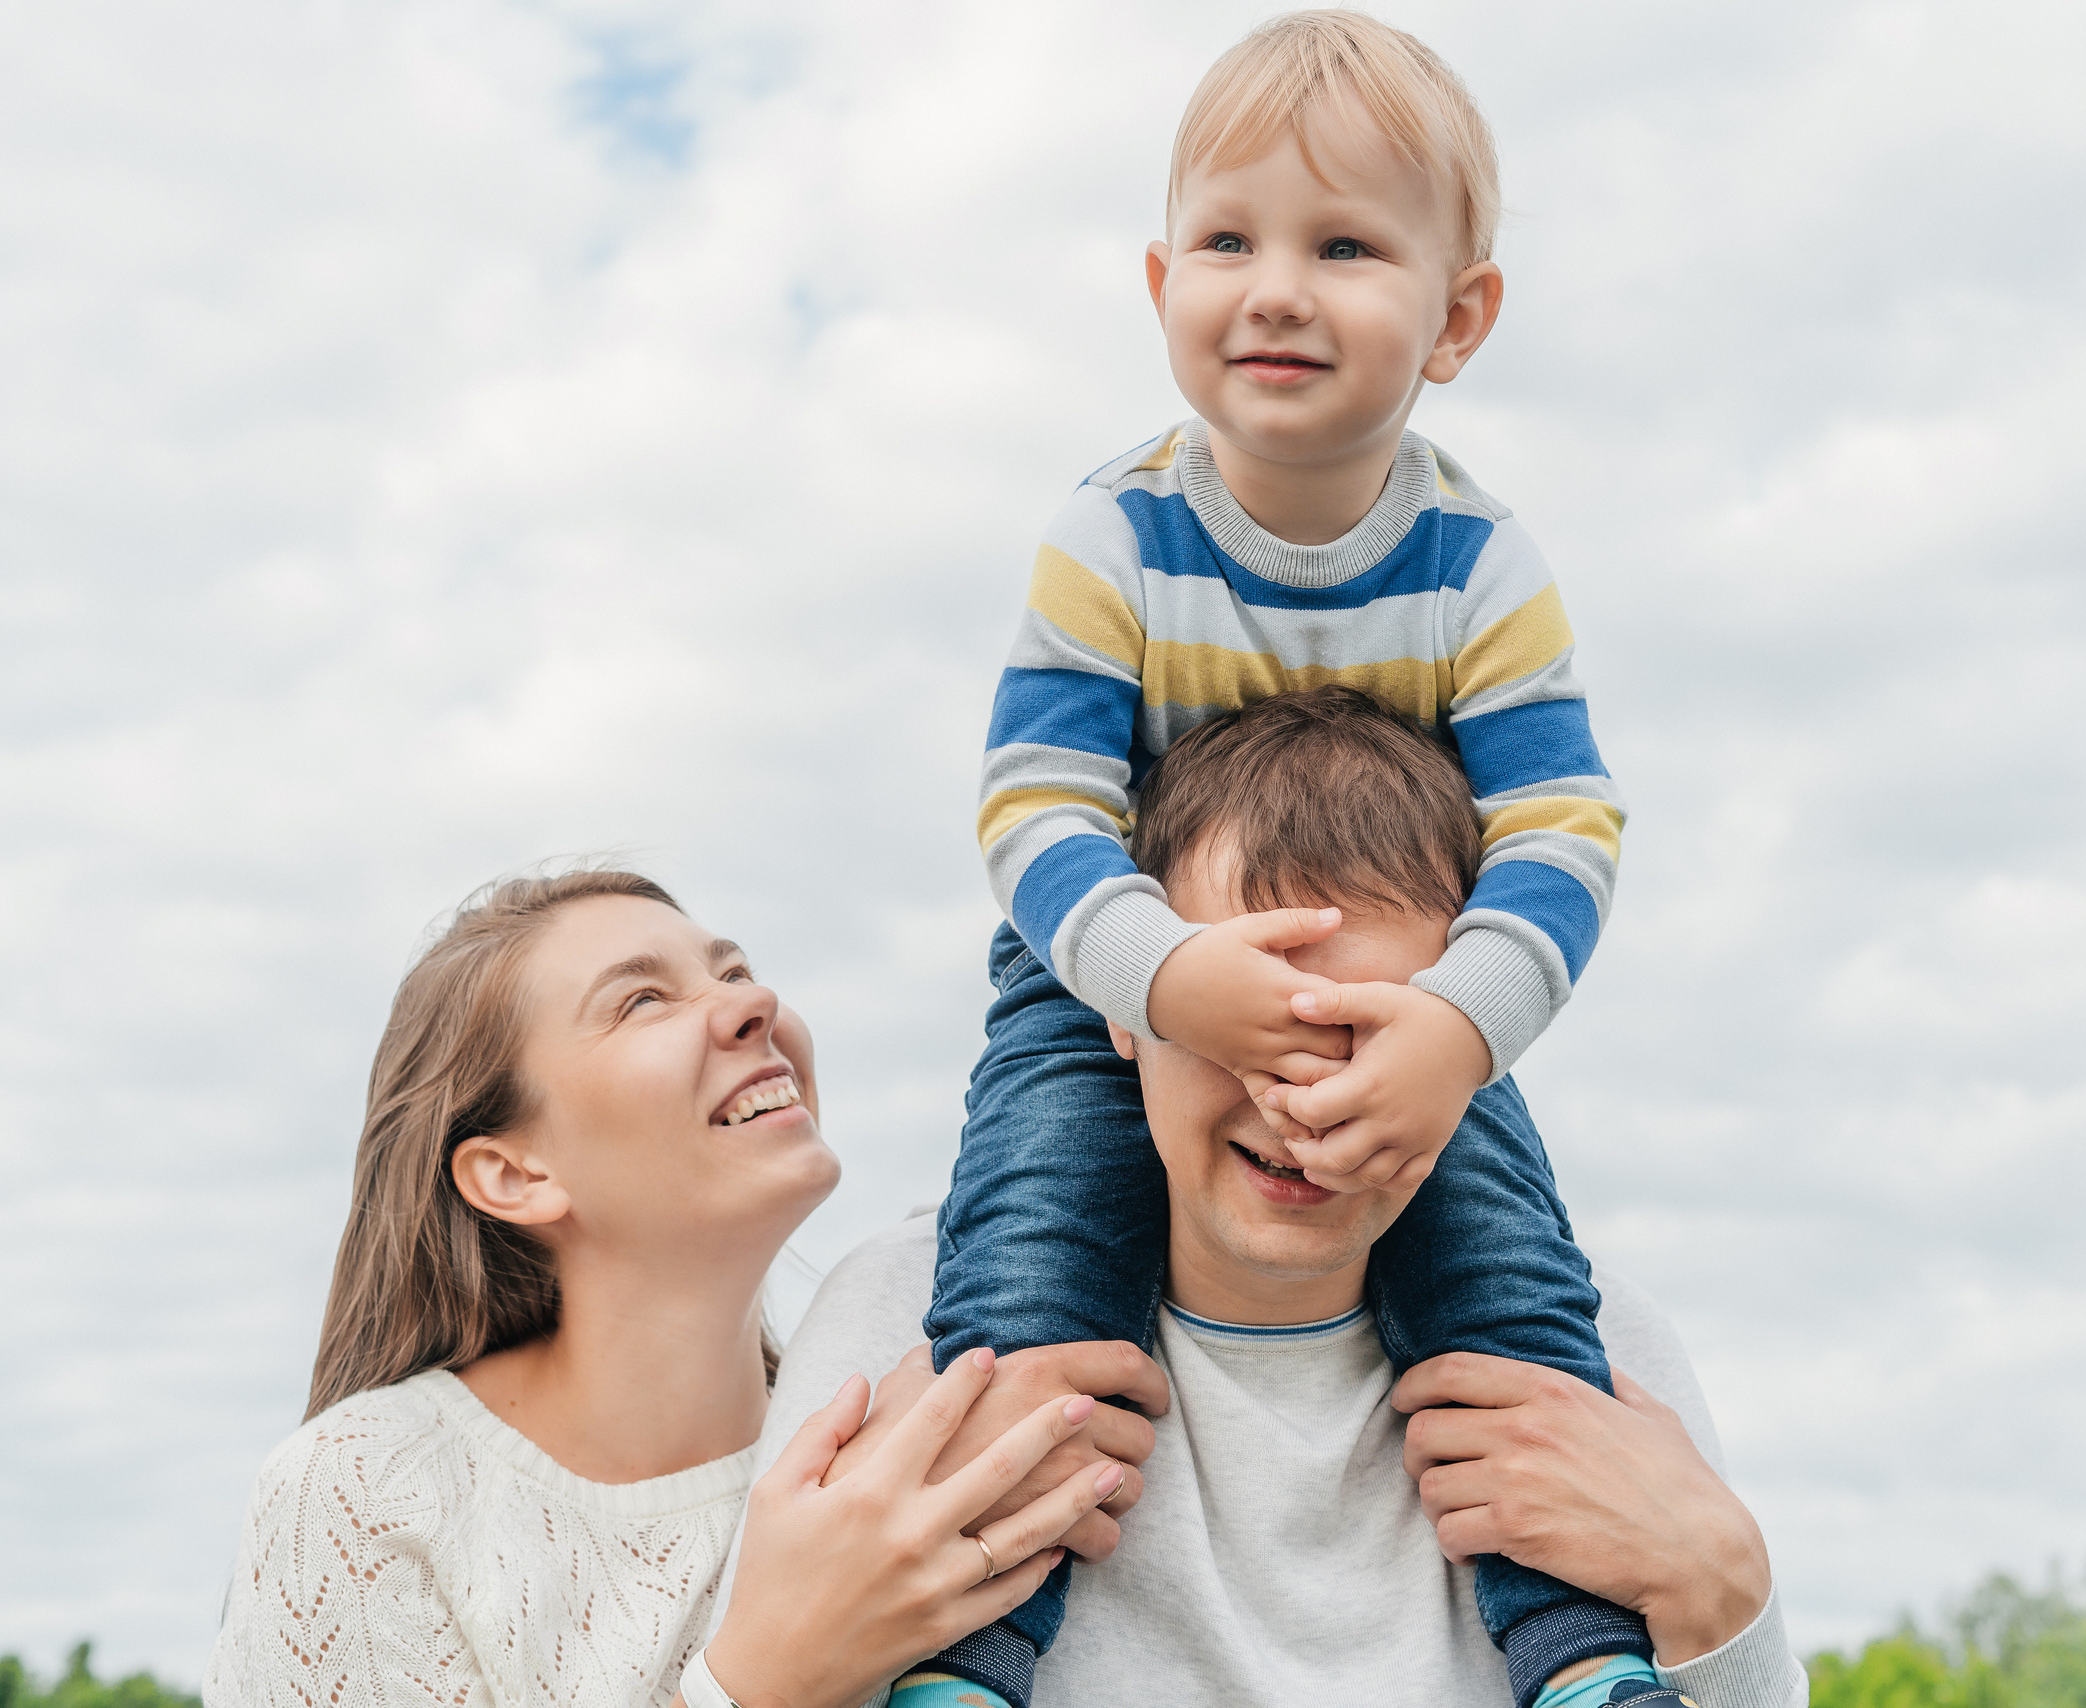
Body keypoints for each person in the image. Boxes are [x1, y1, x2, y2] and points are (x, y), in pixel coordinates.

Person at [934, 14, 1640, 1706]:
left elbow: (1562, 826)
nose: (1277, 290)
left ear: (1458, 318)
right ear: (1162, 280)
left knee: (1512, 1289)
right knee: (1029, 1273)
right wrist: (1164, 979)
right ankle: (961, 1658)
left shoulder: (1480, 566)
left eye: (1343, 247)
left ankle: (1581, 1655)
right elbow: (1034, 804)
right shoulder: (1115, 534)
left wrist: (1455, 1031)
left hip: (1401, 997)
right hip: (1110, 975)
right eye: (1230, 242)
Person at [759, 693, 1810, 1708]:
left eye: (1369, 1033)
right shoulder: (903, 1321)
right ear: (1119, 1006)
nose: (1303, 1096)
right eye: (1247, 1022)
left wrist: (1725, 1595)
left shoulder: (1604, 1357)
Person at [202, 870, 1162, 1708]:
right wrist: (765, 1679)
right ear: (515, 1174)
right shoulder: (366, 1491)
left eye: (735, 972)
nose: (755, 1002)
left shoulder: (915, 1428)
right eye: (641, 1001)